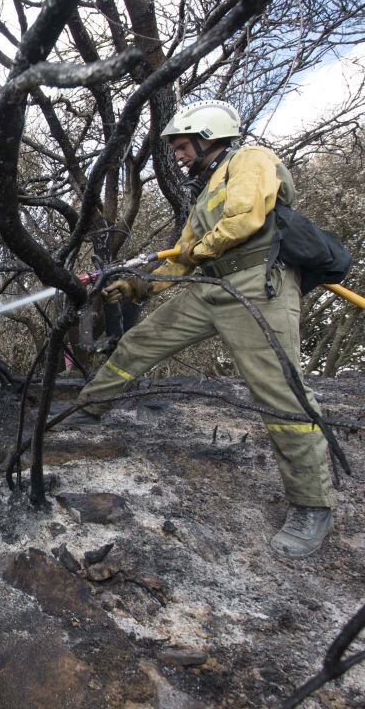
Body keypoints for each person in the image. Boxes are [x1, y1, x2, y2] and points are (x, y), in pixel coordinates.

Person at [59, 99, 336, 558]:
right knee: (139, 342)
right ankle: (89, 408)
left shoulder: (251, 160)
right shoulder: (207, 190)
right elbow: (186, 254)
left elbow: (243, 220)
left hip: (256, 289)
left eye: (183, 145)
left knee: (280, 395)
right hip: (211, 287)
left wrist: (198, 250)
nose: (178, 155)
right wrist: (140, 287)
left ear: (210, 135)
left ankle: (311, 505)